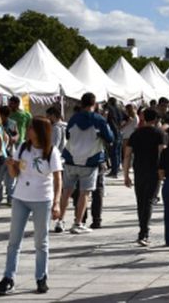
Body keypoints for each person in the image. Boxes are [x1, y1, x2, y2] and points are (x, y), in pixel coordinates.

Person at [0, 117, 63, 296]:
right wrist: (10, 166)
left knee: (41, 241)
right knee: (13, 241)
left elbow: (58, 179)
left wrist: (56, 203)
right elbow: (15, 173)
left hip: (42, 199)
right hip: (20, 197)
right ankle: (8, 277)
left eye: (31, 128)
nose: (28, 131)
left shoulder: (51, 151)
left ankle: (41, 277)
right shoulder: (24, 148)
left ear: (41, 131)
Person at [58, 93, 113, 235]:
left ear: (81, 103)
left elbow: (68, 136)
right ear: (94, 104)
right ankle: (77, 223)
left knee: (66, 192)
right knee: (84, 193)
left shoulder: (73, 118)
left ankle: (60, 220)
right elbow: (110, 137)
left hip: (70, 158)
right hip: (90, 161)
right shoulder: (99, 120)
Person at [124, 107, 166, 246]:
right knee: (149, 201)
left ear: (144, 118)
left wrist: (126, 174)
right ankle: (143, 232)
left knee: (141, 201)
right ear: (156, 119)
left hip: (139, 170)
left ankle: (142, 230)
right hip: (154, 171)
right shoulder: (160, 133)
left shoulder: (136, 134)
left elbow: (128, 154)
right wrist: (163, 171)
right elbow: (162, 153)